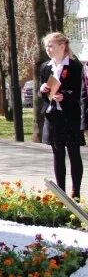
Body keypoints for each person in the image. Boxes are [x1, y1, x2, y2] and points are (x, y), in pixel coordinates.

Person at [39, 32, 87, 199]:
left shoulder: (75, 67)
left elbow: (80, 91)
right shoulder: (45, 67)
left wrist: (65, 96)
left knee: (73, 153)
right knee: (57, 154)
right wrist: (43, 89)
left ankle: (76, 193)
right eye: (46, 46)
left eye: (51, 46)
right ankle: (61, 194)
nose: (48, 49)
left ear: (62, 46)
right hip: (53, 116)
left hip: (70, 117)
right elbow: (43, 90)